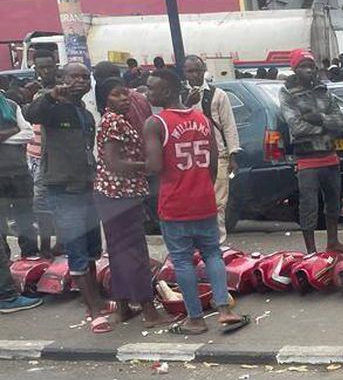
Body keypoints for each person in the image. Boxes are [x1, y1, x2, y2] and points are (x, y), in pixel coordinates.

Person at [143, 68, 246, 335]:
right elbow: (213, 164)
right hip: (203, 200)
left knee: (182, 261)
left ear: (166, 91)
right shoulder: (201, 119)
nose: (147, 92)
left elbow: (154, 166)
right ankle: (224, 310)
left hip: (175, 204)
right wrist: (201, 186)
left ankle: (196, 319)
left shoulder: (156, 123)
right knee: (213, 253)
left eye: (151, 88)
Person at [23, 62, 108, 329]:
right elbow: (30, 113)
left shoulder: (84, 112)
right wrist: (50, 96)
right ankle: (94, 311)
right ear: (62, 79)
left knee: (93, 249)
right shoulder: (50, 106)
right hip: (63, 189)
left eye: (85, 77)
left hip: (86, 187)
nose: (81, 81)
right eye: (74, 76)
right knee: (77, 251)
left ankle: (93, 301)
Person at [92, 78, 168, 329]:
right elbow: (114, 163)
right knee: (134, 252)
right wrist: (146, 167)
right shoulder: (114, 122)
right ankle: (147, 309)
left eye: (125, 94)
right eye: (117, 95)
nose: (124, 99)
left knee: (119, 251)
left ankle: (124, 306)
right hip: (119, 194)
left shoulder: (114, 120)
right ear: (105, 99)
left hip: (113, 195)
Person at [278, 49, 343, 255]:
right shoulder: (287, 93)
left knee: (333, 203)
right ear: (295, 69)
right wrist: (326, 126)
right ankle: (311, 250)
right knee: (308, 206)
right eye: (304, 66)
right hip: (306, 160)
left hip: (330, 157)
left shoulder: (324, 90)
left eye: (311, 66)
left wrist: (319, 118)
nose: (309, 70)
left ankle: (333, 242)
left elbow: (341, 122)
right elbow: (296, 127)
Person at [182, 55, 241, 242]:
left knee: (218, 203)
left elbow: (229, 125)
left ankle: (219, 244)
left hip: (218, 156)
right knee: (194, 203)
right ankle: (199, 244)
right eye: (190, 71)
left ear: (204, 70)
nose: (194, 75)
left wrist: (233, 155)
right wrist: (187, 104)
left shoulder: (218, 95)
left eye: (198, 70)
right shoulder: (179, 96)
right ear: (184, 73)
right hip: (190, 159)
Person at [0, 87, 37, 259]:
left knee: (26, 217)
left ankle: (30, 256)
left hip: (19, 171)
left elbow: (29, 134)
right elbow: (21, 131)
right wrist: (14, 130)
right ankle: (4, 259)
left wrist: (2, 137)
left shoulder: (11, 105)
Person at [29, 51, 58, 257]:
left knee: (49, 201)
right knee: (40, 203)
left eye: (49, 66)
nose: (46, 71)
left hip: (51, 157)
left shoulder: (59, 91)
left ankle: (50, 246)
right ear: (36, 69)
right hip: (34, 154)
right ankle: (46, 244)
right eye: (42, 67)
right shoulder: (36, 91)